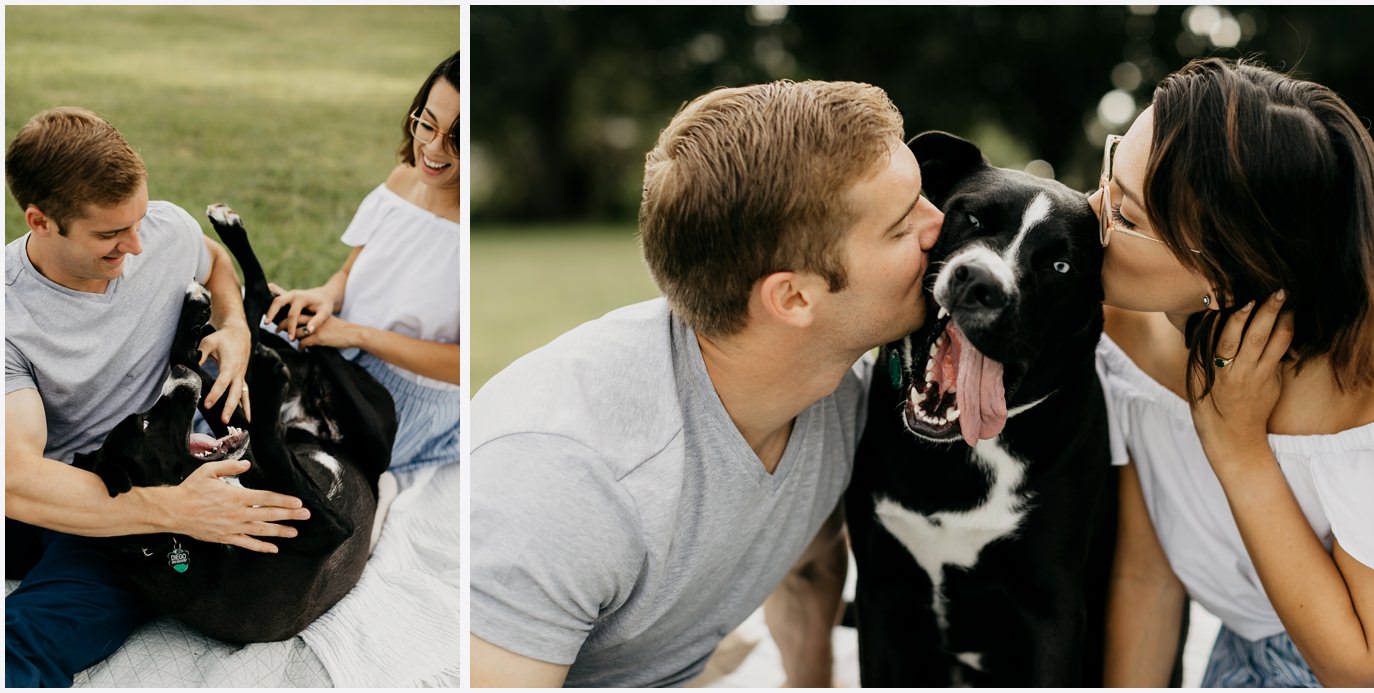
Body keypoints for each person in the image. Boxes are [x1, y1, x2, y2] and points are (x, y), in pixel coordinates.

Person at [469, 80, 944, 686]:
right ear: (793, 296)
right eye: (903, 227)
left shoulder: (843, 394)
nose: (941, 224)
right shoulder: (564, 480)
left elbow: (808, 567)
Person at [1096, 57, 1374, 687]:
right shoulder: (1114, 330)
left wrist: (1238, 448)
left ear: (1227, 272)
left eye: (1127, 216)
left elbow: (1368, 669)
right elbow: (1148, 574)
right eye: (1106, 183)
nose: (1091, 216)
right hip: (1258, 650)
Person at [4, 107, 309, 687]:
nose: (139, 246)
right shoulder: (9, 314)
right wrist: (171, 509)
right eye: (110, 235)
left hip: (148, 466)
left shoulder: (160, 231)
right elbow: (17, 480)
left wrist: (234, 325)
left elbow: (214, 259)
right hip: (82, 488)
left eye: (139, 220)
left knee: (28, 640)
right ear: (40, 221)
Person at [265, 51, 460, 472]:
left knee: (293, 461)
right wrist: (323, 298)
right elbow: (349, 271)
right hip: (334, 348)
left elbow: (463, 365)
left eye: (457, 138)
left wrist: (355, 334)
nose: (433, 147)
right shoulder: (401, 180)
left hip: (398, 398)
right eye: (427, 123)